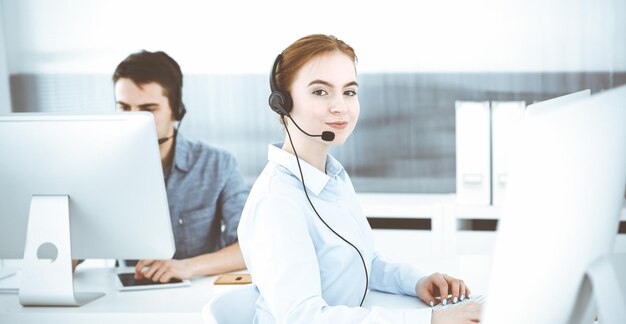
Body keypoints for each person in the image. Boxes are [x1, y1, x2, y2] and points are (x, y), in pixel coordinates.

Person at [237, 34, 482, 323]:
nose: (340, 106)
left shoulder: (333, 177)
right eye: (320, 92)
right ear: (282, 102)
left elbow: (364, 263)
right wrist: (430, 320)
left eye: (349, 92)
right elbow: (302, 317)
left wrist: (417, 281)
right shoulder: (277, 201)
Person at [110, 50, 249, 282]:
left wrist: (187, 267)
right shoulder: (104, 168)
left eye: (147, 109)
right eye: (124, 108)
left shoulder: (217, 165)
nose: (133, 120)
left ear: (176, 111)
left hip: (195, 298)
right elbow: (75, 246)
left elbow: (252, 245)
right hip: (128, 299)